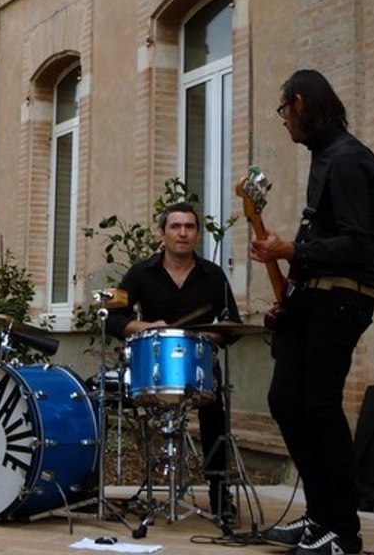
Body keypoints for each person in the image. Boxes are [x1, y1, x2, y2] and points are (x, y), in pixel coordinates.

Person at [250, 69, 374, 555]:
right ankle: (319, 516)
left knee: (320, 405)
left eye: (285, 110)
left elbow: (355, 244)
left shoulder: (348, 160)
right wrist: (290, 287)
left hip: (341, 298)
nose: (284, 122)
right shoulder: (326, 158)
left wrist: (288, 249)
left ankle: (343, 533)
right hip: (317, 297)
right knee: (287, 399)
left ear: (303, 103)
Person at [104, 202, 241, 522]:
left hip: (199, 368)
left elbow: (231, 322)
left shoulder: (213, 275)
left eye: (189, 227)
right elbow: (111, 317)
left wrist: (215, 335)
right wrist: (146, 327)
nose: (183, 233)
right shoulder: (140, 273)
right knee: (104, 398)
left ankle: (221, 493)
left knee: (214, 417)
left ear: (196, 234)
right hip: (153, 367)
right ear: (162, 234)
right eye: (176, 227)